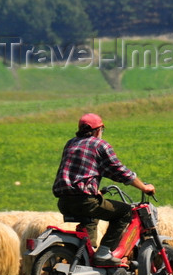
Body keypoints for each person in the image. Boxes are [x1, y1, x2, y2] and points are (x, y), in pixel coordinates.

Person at [52, 113, 155, 265]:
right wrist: (144, 187)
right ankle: (104, 253)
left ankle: (88, 253)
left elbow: (81, 171)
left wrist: (93, 189)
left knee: (93, 215)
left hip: (64, 202)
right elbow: (120, 171)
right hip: (85, 201)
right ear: (98, 129)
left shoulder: (71, 143)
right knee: (124, 212)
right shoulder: (100, 145)